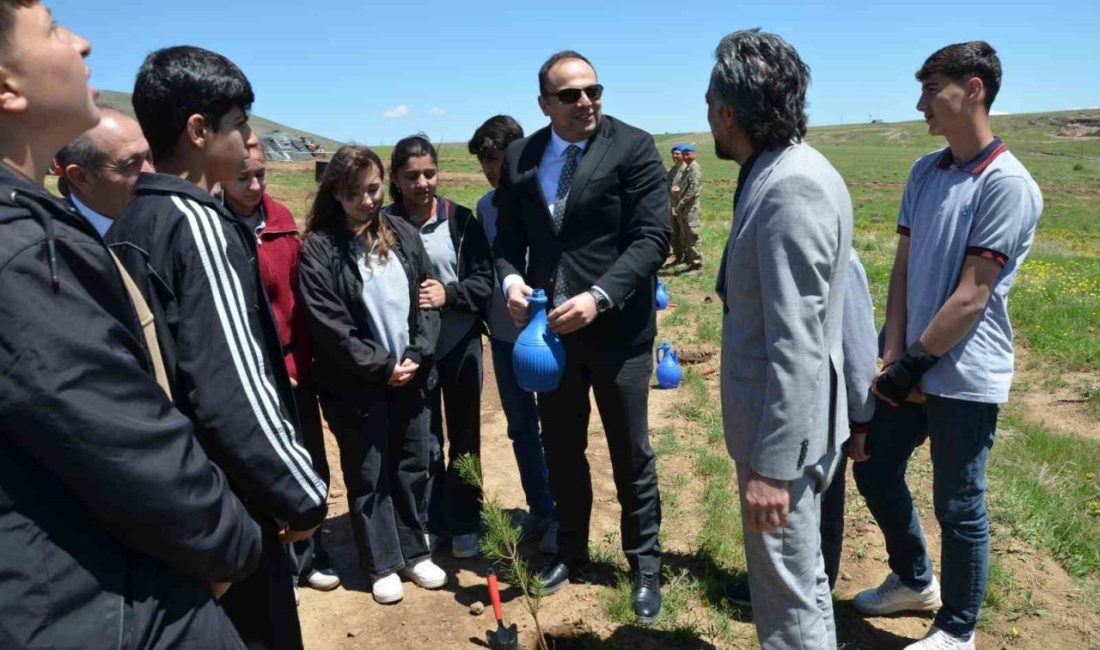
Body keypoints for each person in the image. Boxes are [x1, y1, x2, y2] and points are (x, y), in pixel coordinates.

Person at [0, 3, 260, 648]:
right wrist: (230, 544)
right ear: (7, 88)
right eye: (52, 30)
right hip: (114, 610)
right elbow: (125, 441)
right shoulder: (23, 253)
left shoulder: (36, 229)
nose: (83, 43)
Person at [106, 46, 328, 650]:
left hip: (178, 502)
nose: (249, 137)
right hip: (231, 505)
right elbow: (232, 389)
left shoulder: (129, 223)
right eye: (239, 123)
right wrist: (301, 495)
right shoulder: (198, 224)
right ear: (199, 131)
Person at [852, 41, 1043, 650]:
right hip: (908, 365)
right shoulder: (925, 172)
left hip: (964, 373)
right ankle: (914, 580)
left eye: (933, 89)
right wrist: (892, 353)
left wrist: (912, 364)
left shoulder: (1007, 184)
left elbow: (972, 295)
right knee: (874, 468)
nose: (921, 104)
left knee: (959, 504)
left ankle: (958, 629)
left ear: (974, 89)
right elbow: (903, 269)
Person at [494, 50, 670, 624]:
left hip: (618, 331)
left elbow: (653, 237)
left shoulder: (633, 146)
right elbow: (508, 242)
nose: (586, 102)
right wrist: (513, 282)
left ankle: (644, 566)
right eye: (570, 95)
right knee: (562, 447)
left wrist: (600, 296)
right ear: (544, 104)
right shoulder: (521, 156)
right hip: (552, 336)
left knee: (630, 452)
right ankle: (571, 552)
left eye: (593, 90)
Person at [709, 29, 852, 649]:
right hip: (798, 429)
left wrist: (772, 469)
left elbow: (798, 342)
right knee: (804, 585)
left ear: (729, 112)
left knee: (787, 604)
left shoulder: (791, 186)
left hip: (783, 441)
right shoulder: (788, 169)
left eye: (709, 102)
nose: (707, 116)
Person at [298, 145, 447, 605]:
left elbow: (427, 300)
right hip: (356, 385)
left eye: (374, 188)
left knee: (411, 463)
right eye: (354, 192)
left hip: (411, 376)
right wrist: (382, 366)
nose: (367, 200)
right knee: (369, 472)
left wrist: (417, 353)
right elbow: (330, 325)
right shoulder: (320, 249)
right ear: (335, 194)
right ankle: (382, 562)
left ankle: (415, 551)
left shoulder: (402, 233)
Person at [722, 247, 877, 606]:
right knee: (779, 516)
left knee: (820, 509)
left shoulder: (842, 259)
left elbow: (858, 346)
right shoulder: (769, 250)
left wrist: (861, 418)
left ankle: (816, 588)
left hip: (822, 413)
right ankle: (773, 584)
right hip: (772, 405)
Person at [222, 140, 341, 598]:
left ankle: (312, 553)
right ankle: (280, 565)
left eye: (261, 175)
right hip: (248, 374)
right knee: (262, 469)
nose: (254, 186)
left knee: (310, 459)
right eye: (242, 177)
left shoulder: (283, 223)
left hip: (295, 368)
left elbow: (299, 301)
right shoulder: (214, 227)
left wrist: (298, 362)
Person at [385, 135, 494, 559]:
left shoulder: (462, 221)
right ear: (396, 178)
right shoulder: (383, 224)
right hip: (412, 351)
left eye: (429, 173)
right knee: (421, 439)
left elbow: (484, 281)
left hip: (459, 344)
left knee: (465, 435)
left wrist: (449, 294)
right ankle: (430, 521)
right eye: (412, 176)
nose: (422, 183)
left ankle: (465, 520)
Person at [467, 115, 559, 554]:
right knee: (521, 427)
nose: (493, 170)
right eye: (486, 162)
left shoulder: (548, 198)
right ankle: (541, 508)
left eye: (499, 160)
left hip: (553, 336)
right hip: (505, 338)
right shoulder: (485, 207)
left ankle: (564, 516)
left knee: (559, 427)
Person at [54, 104, 153, 235]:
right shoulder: (53, 242)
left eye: (149, 157)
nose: (151, 172)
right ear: (81, 177)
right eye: (131, 164)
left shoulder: (168, 227)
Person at [674, 143, 704, 271]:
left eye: (688, 154)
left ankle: (697, 266)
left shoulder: (694, 169)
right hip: (685, 209)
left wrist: (680, 204)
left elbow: (693, 190)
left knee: (693, 236)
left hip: (691, 209)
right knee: (685, 235)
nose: (685, 157)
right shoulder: (688, 169)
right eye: (684, 154)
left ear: (694, 154)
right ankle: (689, 261)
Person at [664, 143, 685, 266]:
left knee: (684, 233)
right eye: (673, 154)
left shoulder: (687, 170)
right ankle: (677, 255)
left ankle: (688, 258)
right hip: (671, 205)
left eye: (677, 153)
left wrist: (680, 190)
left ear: (683, 155)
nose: (675, 156)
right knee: (674, 231)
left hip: (683, 206)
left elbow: (692, 188)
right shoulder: (672, 170)